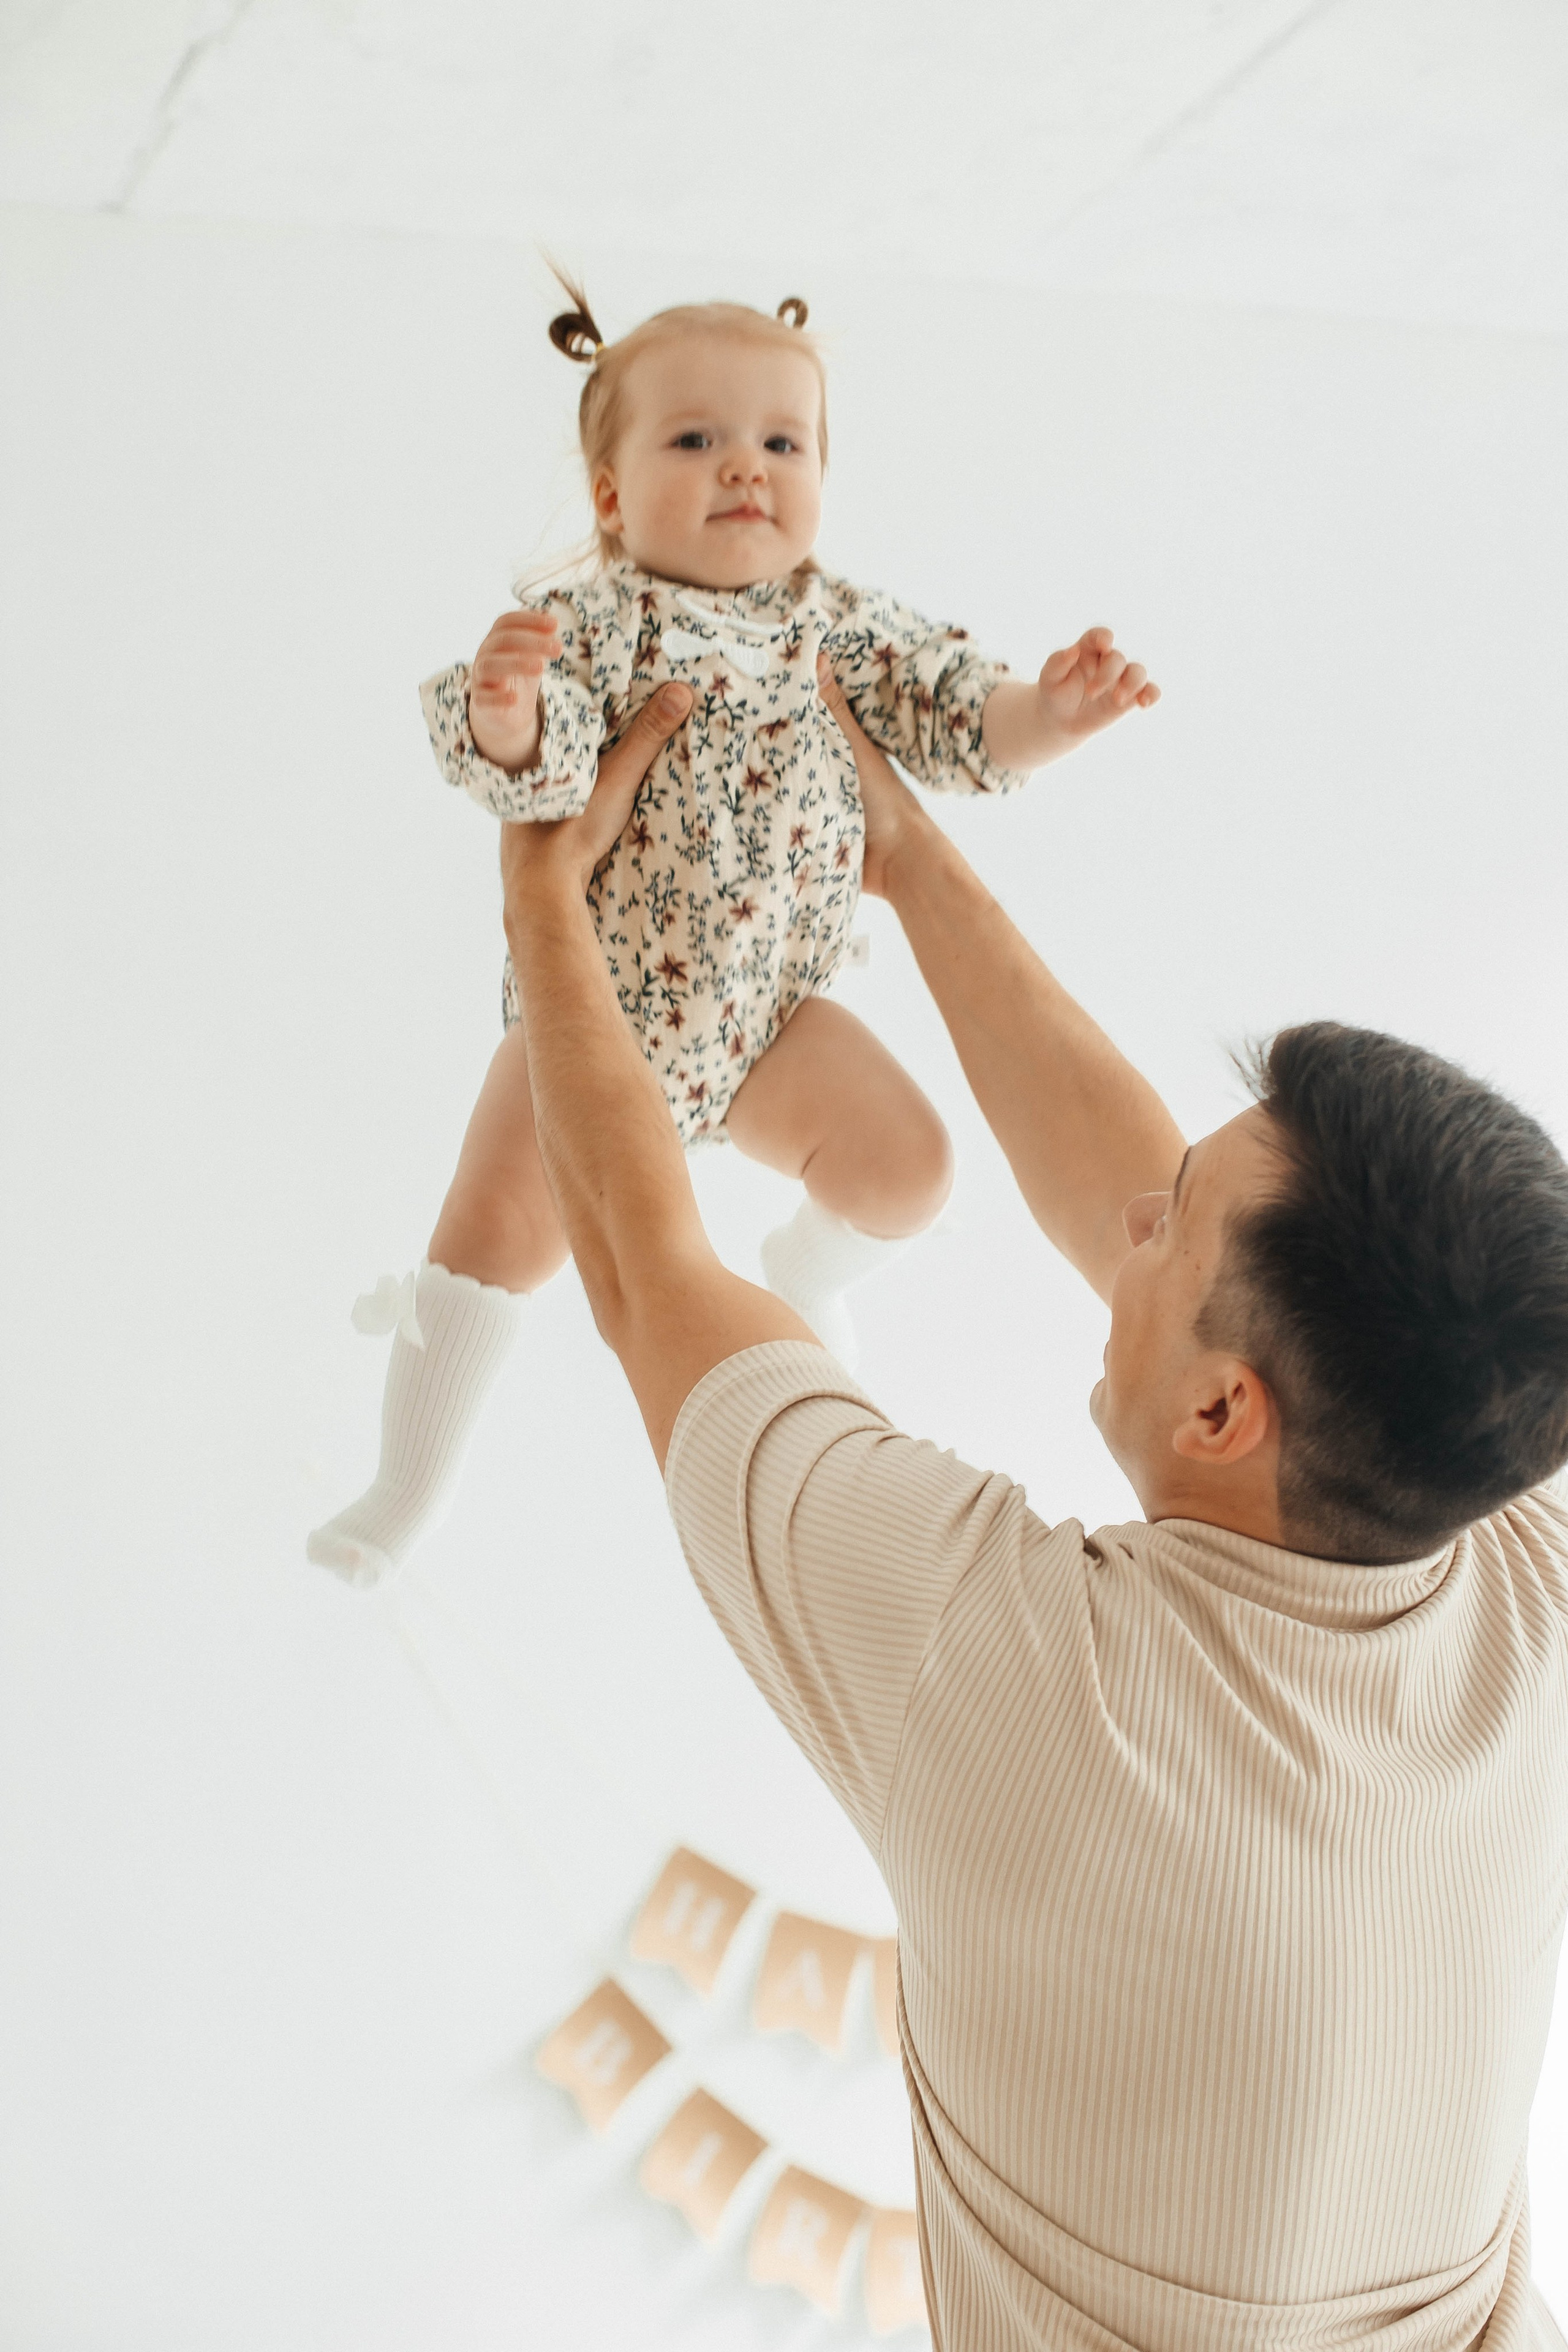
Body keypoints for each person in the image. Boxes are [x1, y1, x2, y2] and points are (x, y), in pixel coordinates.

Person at [496, 671, 1568, 2350]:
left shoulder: (1006, 1679)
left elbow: (650, 1274)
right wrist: (908, 853)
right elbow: (1165, 1205)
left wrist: (544, 897)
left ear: (1225, 1414)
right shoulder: (1519, 1526)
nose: (1133, 1229)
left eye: (1168, 1234)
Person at [307, 277, 1156, 1588]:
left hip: (772, 1023)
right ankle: (404, 1484)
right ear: (608, 495)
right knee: (491, 1242)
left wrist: (1048, 713)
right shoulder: (592, 625)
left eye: (781, 442)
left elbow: (951, 722)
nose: (743, 470)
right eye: (694, 441)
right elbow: (536, 786)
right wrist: (508, 708)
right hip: (593, 1017)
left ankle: (805, 1273)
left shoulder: (847, 623)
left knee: (908, 1165)